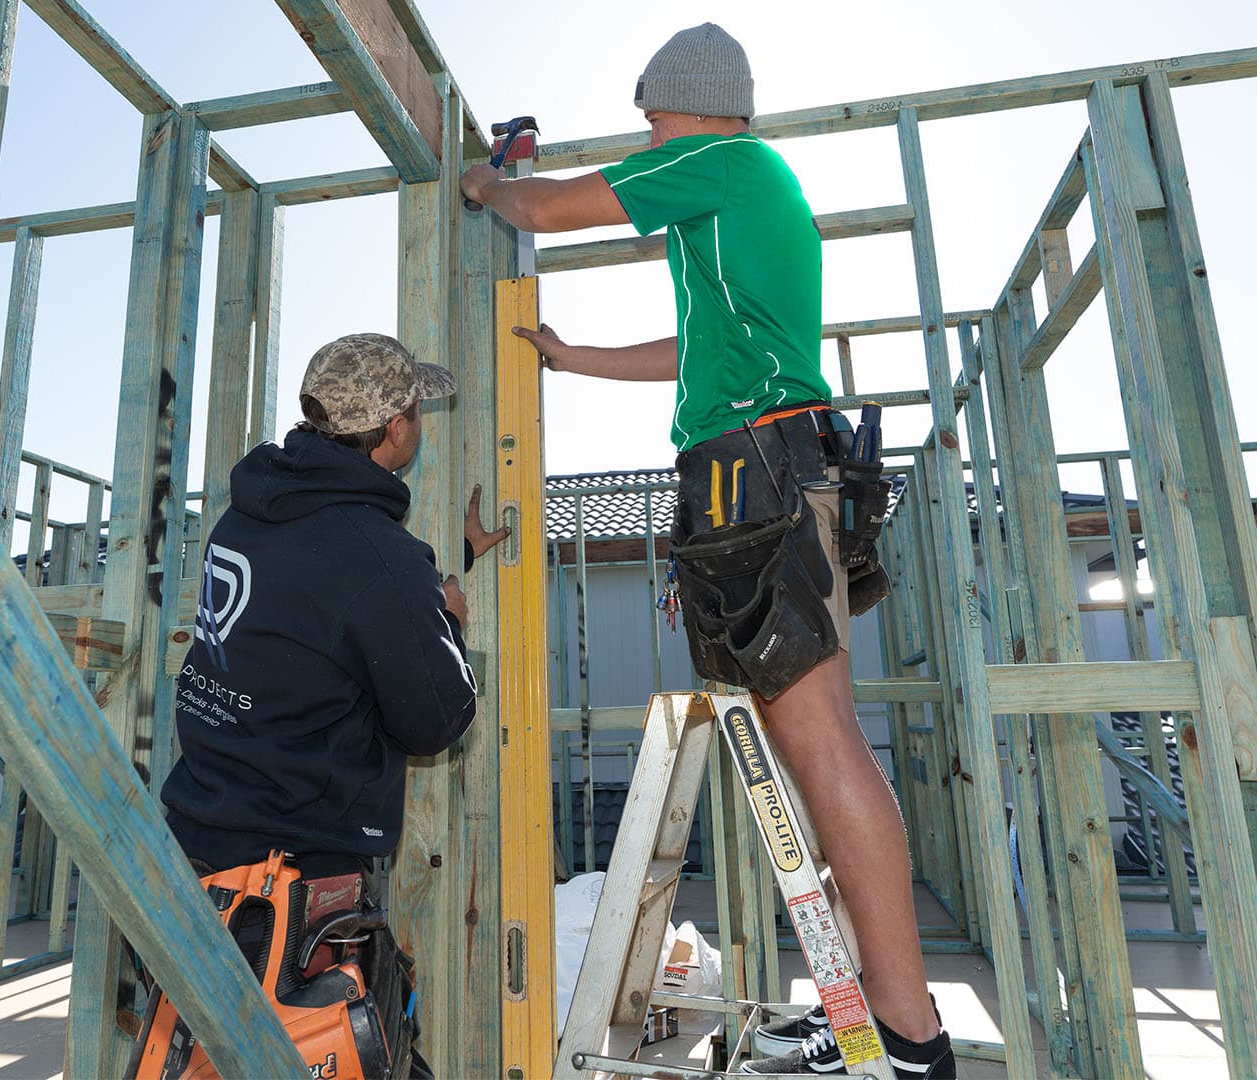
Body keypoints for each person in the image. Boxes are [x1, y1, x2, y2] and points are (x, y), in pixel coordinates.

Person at [461, 23, 953, 1079]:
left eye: (652, 115)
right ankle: (864, 1009)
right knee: (807, 752)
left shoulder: (718, 159)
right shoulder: (738, 210)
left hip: (759, 470)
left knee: (821, 745)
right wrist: (574, 360)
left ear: (688, 107)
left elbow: (546, 207)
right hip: (748, 471)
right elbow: (695, 351)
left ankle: (908, 1035)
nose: (647, 133)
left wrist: (487, 181)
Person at [148, 332, 506, 1079]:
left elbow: (309, 638)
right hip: (291, 886)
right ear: (397, 430)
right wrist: (447, 620)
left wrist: (424, 594)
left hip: (193, 853)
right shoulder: (376, 554)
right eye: (416, 408)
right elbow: (438, 718)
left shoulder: (246, 519)